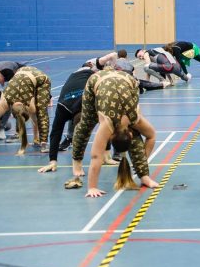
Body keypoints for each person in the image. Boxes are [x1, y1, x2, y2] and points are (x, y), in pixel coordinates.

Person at [68, 69, 160, 197]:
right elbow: (96, 156)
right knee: (85, 125)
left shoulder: (135, 118)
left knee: (136, 136)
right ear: (110, 137)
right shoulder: (107, 124)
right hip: (97, 80)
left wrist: (142, 164)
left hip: (128, 81)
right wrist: (92, 187)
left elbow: (151, 136)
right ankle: (76, 162)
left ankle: (144, 176)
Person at [0, 66, 52, 156]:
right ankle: (37, 139)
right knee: (37, 113)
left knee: (41, 111)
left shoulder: (27, 103)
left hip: (41, 78)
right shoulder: (5, 101)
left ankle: (43, 143)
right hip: (21, 72)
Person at [38, 65, 95, 174]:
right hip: (83, 74)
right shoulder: (62, 108)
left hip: (88, 77)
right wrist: (52, 161)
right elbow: (55, 133)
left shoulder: (91, 105)